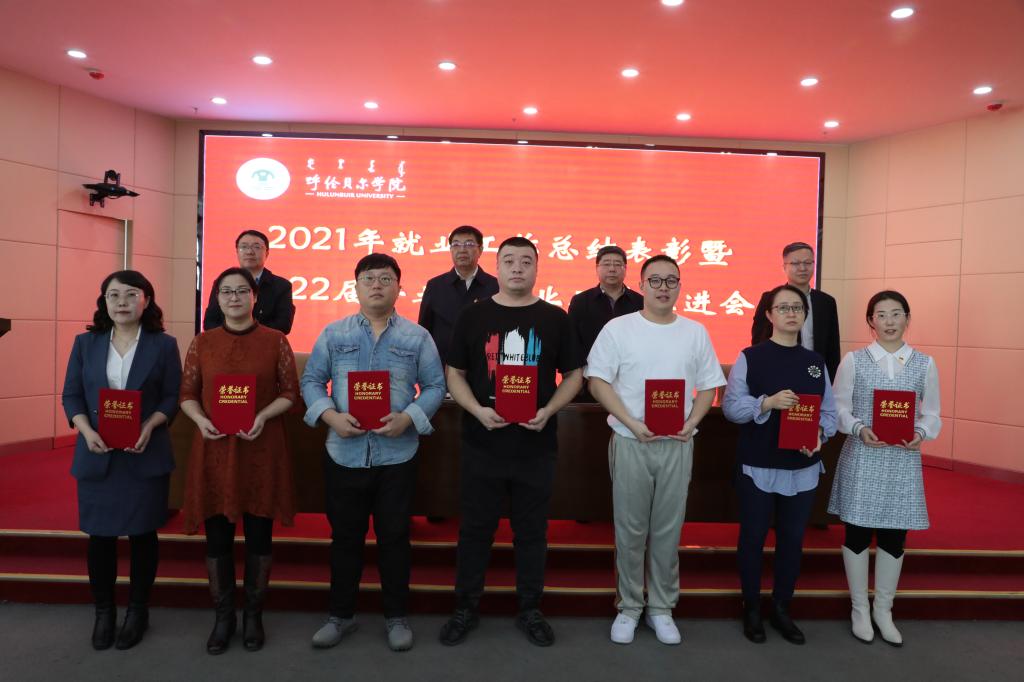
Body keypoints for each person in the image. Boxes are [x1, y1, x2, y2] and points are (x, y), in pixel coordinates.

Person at [439, 236, 583, 647]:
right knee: (475, 531)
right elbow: (455, 373)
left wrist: (549, 410)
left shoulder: (555, 318)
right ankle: (465, 607)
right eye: (509, 261)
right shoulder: (473, 315)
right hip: (482, 442)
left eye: (525, 261)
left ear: (536, 268)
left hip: (535, 446)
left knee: (532, 532)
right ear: (497, 267)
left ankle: (530, 608)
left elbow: (574, 374)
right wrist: (476, 410)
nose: (517, 268)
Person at [301, 254, 445, 652]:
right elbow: (311, 380)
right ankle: (340, 616)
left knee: (395, 538)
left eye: (385, 278)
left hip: (397, 454)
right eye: (369, 279)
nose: (377, 285)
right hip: (343, 453)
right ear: (356, 286)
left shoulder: (417, 336)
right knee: (345, 538)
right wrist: (330, 416)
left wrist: (409, 417)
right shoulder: (334, 333)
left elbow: (436, 386)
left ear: (399, 286)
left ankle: (396, 617)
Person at [586, 255, 725, 645]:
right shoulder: (618, 329)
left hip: (676, 444)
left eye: (671, 281)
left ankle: (661, 607)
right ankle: (629, 607)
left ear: (680, 286)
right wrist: (631, 423)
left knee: (667, 529)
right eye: (656, 280)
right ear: (641, 285)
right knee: (630, 529)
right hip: (631, 441)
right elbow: (597, 382)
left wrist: (691, 423)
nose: (664, 288)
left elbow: (709, 386)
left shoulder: (695, 331)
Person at [180, 267, 299, 654]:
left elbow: (290, 392)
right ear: (217, 299)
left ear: (254, 297)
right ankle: (223, 617)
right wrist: (201, 420)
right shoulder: (203, 343)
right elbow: (187, 393)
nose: (234, 297)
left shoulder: (275, 340)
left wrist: (263, 415)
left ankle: (253, 616)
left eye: (241, 291)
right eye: (226, 291)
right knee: (218, 538)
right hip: (215, 447)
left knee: (260, 536)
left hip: (260, 447)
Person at [61, 270, 181, 651]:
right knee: (100, 538)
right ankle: (104, 612)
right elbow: (71, 395)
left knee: (144, 536)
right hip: (98, 454)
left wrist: (151, 424)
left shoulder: (164, 345)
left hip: (145, 453)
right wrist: (85, 430)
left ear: (147, 300)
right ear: (104, 302)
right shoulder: (86, 343)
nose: (122, 302)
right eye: (113, 295)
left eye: (131, 294)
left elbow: (172, 396)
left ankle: (138, 611)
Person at [723, 284, 837, 645]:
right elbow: (731, 408)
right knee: (753, 538)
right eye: (783, 307)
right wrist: (767, 403)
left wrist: (820, 434)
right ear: (770, 315)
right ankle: (751, 608)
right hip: (758, 464)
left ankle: (782, 608)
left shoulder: (815, 363)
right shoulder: (750, 357)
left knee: (792, 540)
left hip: (801, 467)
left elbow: (829, 412)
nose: (791, 313)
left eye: (797, 308)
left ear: (804, 316)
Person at [828, 290, 941, 647]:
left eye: (896, 314)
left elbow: (932, 413)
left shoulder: (924, 363)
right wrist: (858, 427)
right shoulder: (854, 360)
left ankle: (883, 610)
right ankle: (859, 609)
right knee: (858, 532)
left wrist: (921, 433)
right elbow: (839, 407)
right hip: (863, 456)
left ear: (907, 318)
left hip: (902, 460)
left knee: (894, 536)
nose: (889, 321)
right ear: (870, 321)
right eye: (881, 314)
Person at [750, 242, 840, 380]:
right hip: (777, 371)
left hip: (815, 373)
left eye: (808, 263)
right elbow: (758, 339)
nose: (802, 268)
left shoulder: (826, 302)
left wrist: (831, 380)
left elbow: (832, 348)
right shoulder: (770, 298)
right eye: (795, 263)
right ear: (784, 267)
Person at [568, 245, 644, 402]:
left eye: (617, 264)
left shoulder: (640, 302)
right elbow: (572, 342)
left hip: (630, 382)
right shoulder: (581, 301)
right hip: (589, 381)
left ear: (625, 269)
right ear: (597, 268)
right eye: (607, 264)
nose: (612, 269)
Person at [417, 225, 499, 365]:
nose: (462, 250)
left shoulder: (495, 286)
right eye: (456, 244)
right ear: (450, 250)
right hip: (442, 366)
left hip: (483, 366)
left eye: (469, 244)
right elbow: (424, 330)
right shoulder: (435, 285)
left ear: (480, 250)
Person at [202, 229, 296, 334]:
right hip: (226, 342)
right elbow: (209, 322)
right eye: (244, 247)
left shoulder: (282, 286)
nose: (249, 252)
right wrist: (235, 335)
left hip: (264, 343)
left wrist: (247, 334)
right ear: (237, 252)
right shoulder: (222, 283)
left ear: (267, 253)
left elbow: (283, 325)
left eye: (256, 247)